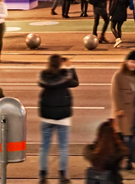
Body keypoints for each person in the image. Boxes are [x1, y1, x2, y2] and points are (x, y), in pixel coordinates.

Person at [38, 54, 79, 184]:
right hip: (63, 117)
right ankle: (63, 175)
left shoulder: (44, 75)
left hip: (47, 116)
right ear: (60, 63)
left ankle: (43, 175)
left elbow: (40, 83)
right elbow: (75, 82)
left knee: (44, 146)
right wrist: (70, 66)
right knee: (63, 147)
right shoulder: (65, 75)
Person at [111, 50, 135, 150]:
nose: (133, 65)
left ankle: (130, 156)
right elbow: (115, 93)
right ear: (126, 62)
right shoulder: (119, 75)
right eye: (131, 62)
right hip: (124, 110)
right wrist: (118, 109)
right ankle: (127, 157)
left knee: (133, 135)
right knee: (126, 135)